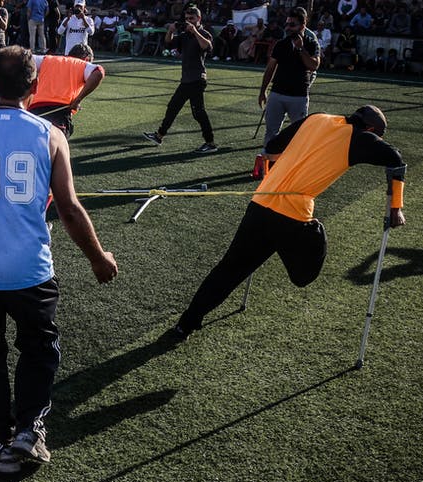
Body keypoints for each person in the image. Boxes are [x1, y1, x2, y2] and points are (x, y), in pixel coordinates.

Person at [0, 45, 118, 474]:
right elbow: (68, 208)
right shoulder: (51, 135)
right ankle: (30, 431)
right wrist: (98, 258)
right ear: (33, 86)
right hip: (30, 268)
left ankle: (1, 440)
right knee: (39, 350)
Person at [174, 106, 406, 337]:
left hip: (261, 203)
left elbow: (273, 147)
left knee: (229, 269)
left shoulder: (317, 118)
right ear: (371, 128)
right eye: (377, 135)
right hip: (293, 217)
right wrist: (396, 207)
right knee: (303, 276)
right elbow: (395, 159)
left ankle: (187, 321)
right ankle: (316, 231)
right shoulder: (361, 138)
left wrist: (277, 172)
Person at [142, 4, 216, 153]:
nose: (189, 21)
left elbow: (207, 47)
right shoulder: (184, 35)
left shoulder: (203, 33)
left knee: (198, 113)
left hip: (197, 79)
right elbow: (168, 43)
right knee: (173, 107)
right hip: (187, 79)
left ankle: (210, 143)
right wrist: (170, 30)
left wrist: (194, 31)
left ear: (198, 18)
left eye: (192, 18)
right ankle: (159, 135)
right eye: (187, 18)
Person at [258, 7, 319, 150]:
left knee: (299, 135)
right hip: (277, 94)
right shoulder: (281, 44)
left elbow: (314, 65)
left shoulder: (311, 43)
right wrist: (263, 91)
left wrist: (300, 49)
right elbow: (270, 68)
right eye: (287, 24)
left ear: (303, 25)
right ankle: (268, 165)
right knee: (271, 133)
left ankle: (293, 167)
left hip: (298, 96)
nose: (288, 28)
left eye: (292, 25)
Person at [27, 43, 104, 139]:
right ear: (87, 59)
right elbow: (99, 72)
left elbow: (24, 59)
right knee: (57, 150)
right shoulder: (83, 65)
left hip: (33, 112)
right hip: (59, 114)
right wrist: (77, 100)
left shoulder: (47, 59)